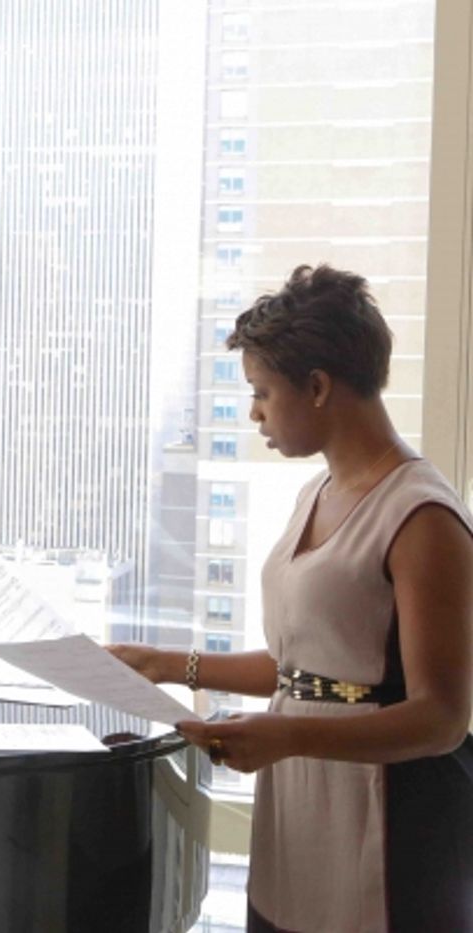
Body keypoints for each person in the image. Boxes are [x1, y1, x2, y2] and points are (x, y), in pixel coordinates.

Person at [108, 264, 472, 932]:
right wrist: (163, 662)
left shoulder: (422, 518)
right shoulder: (317, 494)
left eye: (261, 392)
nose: (253, 413)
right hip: (300, 806)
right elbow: (308, 671)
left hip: (388, 821)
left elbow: (442, 718)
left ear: (318, 386)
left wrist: (288, 735)